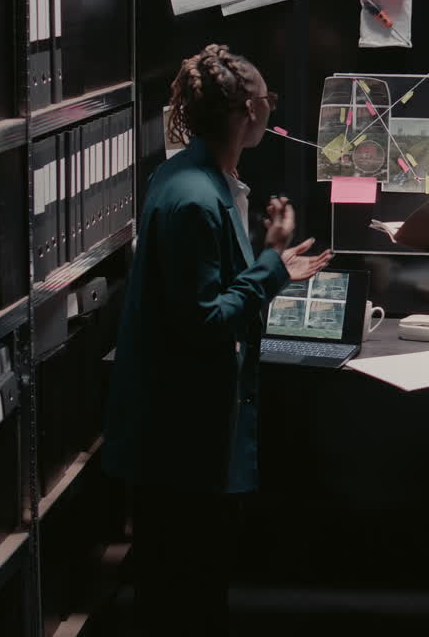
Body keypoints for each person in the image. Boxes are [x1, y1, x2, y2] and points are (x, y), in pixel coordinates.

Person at [103, 44, 331, 635]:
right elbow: (206, 320)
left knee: (190, 584)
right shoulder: (194, 200)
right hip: (180, 442)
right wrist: (274, 265)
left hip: (182, 434)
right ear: (251, 111)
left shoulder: (200, 179)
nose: (272, 108)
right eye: (270, 100)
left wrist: (269, 261)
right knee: (187, 590)